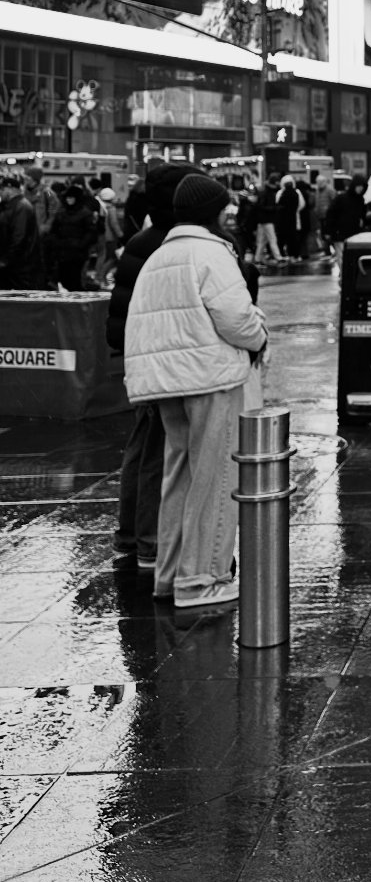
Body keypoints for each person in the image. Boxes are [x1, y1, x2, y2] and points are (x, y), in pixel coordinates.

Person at [124, 173, 267, 611]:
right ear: (215, 212)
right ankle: (202, 580)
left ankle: (169, 576)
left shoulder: (159, 257)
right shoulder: (210, 253)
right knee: (217, 478)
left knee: (180, 477)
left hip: (168, 383)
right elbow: (236, 319)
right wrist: (260, 338)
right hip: (211, 378)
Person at [109, 163, 204, 575]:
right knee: (159, 455)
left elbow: (118, 316)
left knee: (142, 449)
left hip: (142, 361)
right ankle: (149, 542)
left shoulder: (140, 241)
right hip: (168, 364)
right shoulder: (179, 246)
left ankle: (131, 537)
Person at [46, 178, 101, 291]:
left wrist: (81, 244)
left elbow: (91, 232)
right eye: (67, 197)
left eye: (71, 197)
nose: (69, 200)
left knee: (75, 280)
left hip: (77, 254)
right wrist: (56, 243)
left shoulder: (85, 213)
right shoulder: (61, 213)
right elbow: (54, 231)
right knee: (65, 279)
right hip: (63, 253)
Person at [0, 174, 43, 289]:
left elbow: (19, 237)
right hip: (12, 265)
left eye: (2, 189)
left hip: (21, 267)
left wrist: (5, 260)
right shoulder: (7, 206)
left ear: (11, 189)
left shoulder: (22, 207)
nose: (0, 192)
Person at [324, 172, 367, 271]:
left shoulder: (359, 200)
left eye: (362, 187)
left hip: (351, 233)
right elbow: (331, 214)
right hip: (342, 233)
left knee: (346, 258)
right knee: (343, 257)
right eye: (359, 186)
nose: (360, 189)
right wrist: (328, 230)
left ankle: (346, 278)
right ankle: (345, 278)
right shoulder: (343, 198)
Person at [94, 187, 124, 287]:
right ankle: (101, 277)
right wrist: (120, 235)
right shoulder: (111, 209)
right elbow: (114, 223)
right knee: (112, 258)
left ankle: (100, 277)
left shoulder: (100, 206)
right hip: (110, 237)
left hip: (102, 236)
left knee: (103, 257)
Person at [275, 173, 304, 262]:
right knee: (293, 238)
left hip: (282, 220)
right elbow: (302, 204)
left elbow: (277, 204)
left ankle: (283, 254)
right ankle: (294, 254)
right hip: (294, 219)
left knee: (282, 238)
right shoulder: (296, 192)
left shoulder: (280, 193)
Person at [254, 174, 282, 265]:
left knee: (262, 241)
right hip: (267, 219)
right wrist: (274, 208)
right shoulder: (268, 192)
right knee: (272, 239)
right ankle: (278, 257)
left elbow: (259, 206)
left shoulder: (264, 191)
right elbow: (262, 206)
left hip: (262, 219)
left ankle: (257, 258)